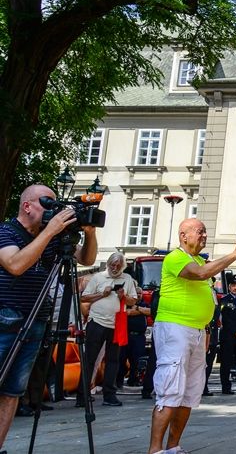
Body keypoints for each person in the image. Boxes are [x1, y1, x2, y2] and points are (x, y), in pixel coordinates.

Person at [0, 184, 97, 451]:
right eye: (47, 203)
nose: (52, 211)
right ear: (27, 206)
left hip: (36, 321)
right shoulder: (6, 232)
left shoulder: (52, 238)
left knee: (12, 393)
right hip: (5, 320)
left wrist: (89, 234)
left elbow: (86, 258)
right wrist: (52, 229)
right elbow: (16, 264)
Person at [147, 218, 236, 454]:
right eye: (199, 232)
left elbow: (207, 278)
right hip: (175, 328)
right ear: (184, 235)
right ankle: (155, 449)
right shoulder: (176, 257)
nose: (204, 235)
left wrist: (207, 331)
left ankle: (173, 447)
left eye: (205, 232)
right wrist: (234, 255)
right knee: (170, 388)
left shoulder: (200, 259)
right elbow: (200, 274)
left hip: (196, 330)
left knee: (190, 392)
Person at [80, 251, 138, 406]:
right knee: (90, 359)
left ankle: (109, 395)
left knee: (114, 360)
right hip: (97, 322)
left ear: (123, 266)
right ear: (108, 264)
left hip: (116, 324)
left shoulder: (127, 279)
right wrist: (102, 294)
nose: (115, 268)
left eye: (118, 266)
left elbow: (133, 301)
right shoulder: (98, 277)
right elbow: (84, 297)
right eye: (113, 265)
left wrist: (123, 297)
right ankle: (82, 395)